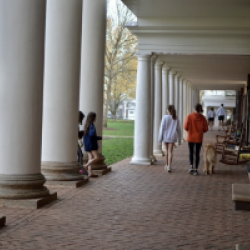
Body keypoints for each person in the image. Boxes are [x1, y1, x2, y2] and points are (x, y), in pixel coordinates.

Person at [184, 104, 208, 176]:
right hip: (199, 138)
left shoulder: (189, 116)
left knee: (191, 152)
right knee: (197, 153)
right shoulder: (203, 118)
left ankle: (191, 166)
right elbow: (206, 128)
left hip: (191, 137)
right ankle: (196, 170)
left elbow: (185, 127)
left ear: (194, 108)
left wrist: (190, 130)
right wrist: (201, 131)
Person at [158, 105, 182, 172]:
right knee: (170, 152)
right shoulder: (176, 118)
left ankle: (166, 165)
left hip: (166, 137)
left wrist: (160, 139)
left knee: (167, 152)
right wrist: (179, 140)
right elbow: (179, 129)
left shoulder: (165, 117)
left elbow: (161, 128)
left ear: (168, 110)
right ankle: (169, 166)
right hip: (172, 137)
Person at [80, 112, 102, 177]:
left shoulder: (86, 125)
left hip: (87, 144)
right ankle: (85, 166)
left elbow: (86, 136)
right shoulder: (92, 125)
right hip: (92, 145)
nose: (96, 119)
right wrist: (100, 137)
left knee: (90, 158)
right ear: (93, 118)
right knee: (97, 158)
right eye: (95, 117)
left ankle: (90, 173)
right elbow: (92, 135)